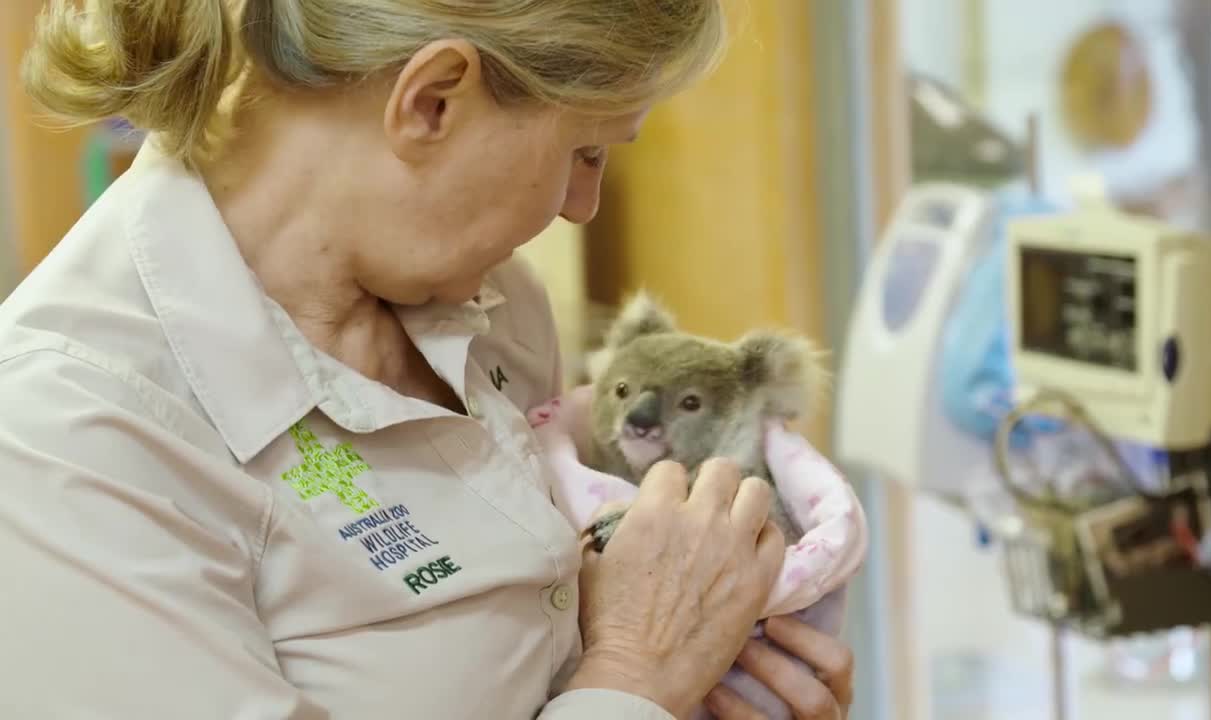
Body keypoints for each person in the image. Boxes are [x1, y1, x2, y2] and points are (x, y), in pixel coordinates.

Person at [0, 1, 855, 718]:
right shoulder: (64, 437)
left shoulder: (495, 314)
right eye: (585, 151)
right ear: (434, 100)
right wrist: (640, 672)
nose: (583, 205)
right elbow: (614, 677)